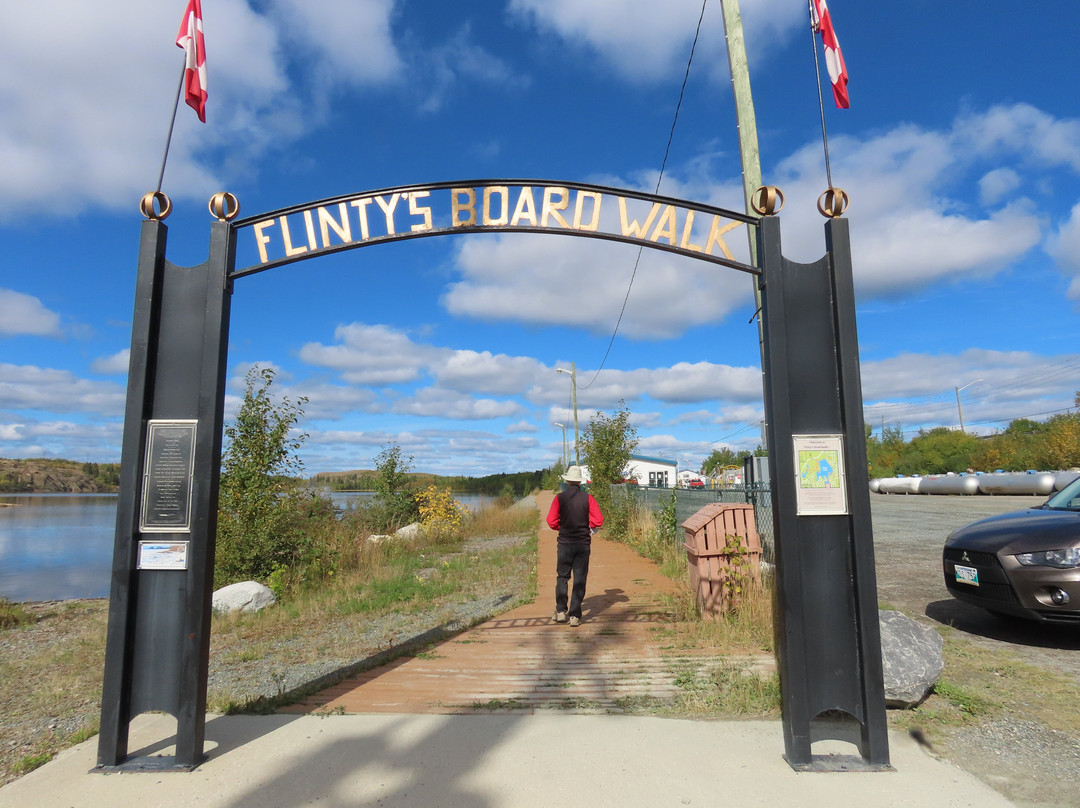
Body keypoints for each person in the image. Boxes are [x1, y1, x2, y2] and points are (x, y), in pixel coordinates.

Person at [546, 465, 603, 627]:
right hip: (582, 544)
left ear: (567, 481)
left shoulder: (559, 498)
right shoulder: (588, 498)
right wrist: (588, 526)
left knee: (562, 577)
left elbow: (551, 521)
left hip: (564, 543)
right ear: (580, 483)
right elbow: (598, 520)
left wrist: (561, 527)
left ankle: (561, 611)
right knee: (580, 578)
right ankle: (575, 615)